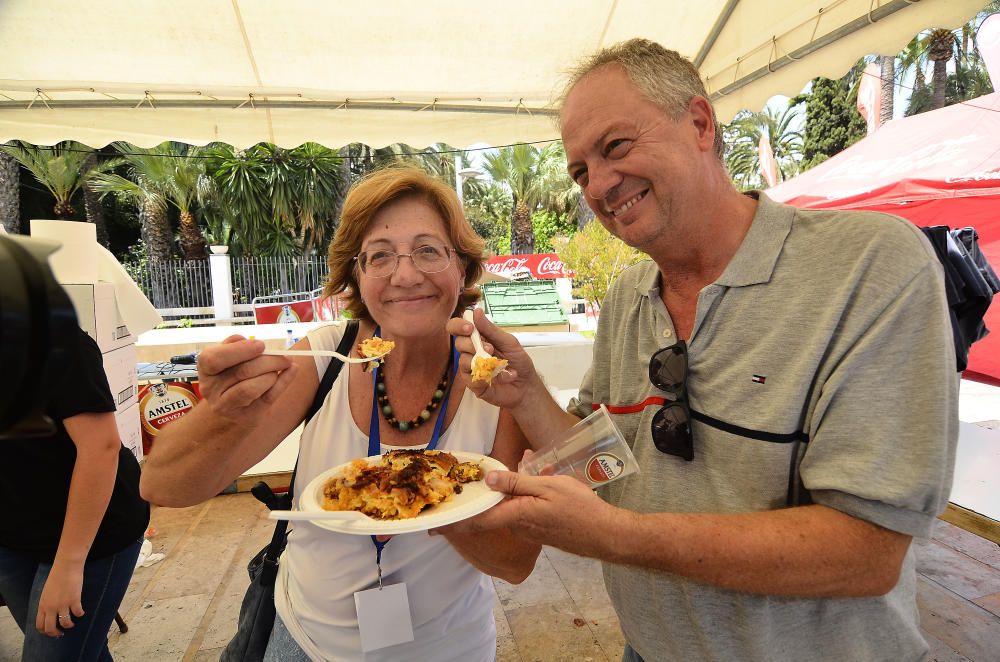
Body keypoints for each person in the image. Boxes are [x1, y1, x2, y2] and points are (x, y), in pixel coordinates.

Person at [443, 39, 958, 662]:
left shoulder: (870, 265)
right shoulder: (631, 293)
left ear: (699, 123)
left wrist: (616, 537)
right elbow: (602, 464)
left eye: (616, 147)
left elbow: (868, 553)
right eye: (580, 171)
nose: (599, 185)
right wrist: (524, 392)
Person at [140, 166, 540, 661]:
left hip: (449, 648)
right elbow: (162, 486)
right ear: (356, 274)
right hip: (306, 643)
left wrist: (414, 499)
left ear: (462, 268)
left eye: (428, 250)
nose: (406, 274)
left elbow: (516, 560)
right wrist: (225, 413)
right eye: (380, 256)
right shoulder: (326, 356)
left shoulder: (496, 380)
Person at [0, 326, 149, 661]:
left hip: (91, 533)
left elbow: (100, 448)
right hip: (13, 535)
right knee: (80, 650)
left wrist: (68, 565)